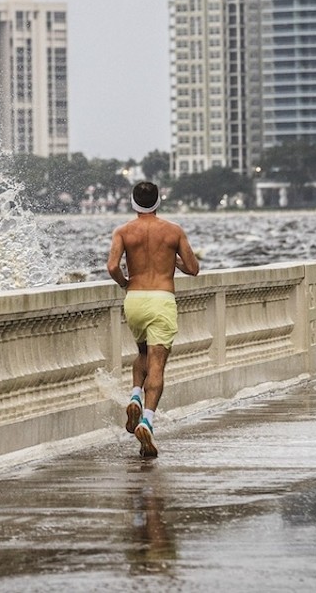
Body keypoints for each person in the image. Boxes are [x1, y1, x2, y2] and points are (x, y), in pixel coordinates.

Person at [107, 181, 200, 457]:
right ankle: (146, 420)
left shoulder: (123, 231)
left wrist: (125, 282)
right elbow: (193, 269)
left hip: (134, 299)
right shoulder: (173, 231)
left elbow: (112, 266)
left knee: (142, 353)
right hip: (161, 299)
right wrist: (173, 262)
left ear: (133, 202)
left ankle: (135, 394)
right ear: (158, 201)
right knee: (157, 363)